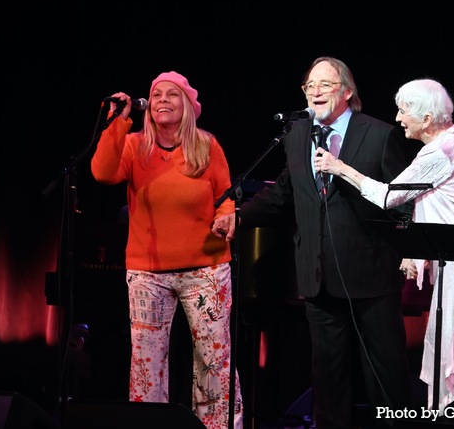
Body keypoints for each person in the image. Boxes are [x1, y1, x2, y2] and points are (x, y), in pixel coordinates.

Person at [230, 57, 413, 428]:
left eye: (325, 85)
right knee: (328, 381)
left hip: (371, 278)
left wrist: (409, 252)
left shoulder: (378, 134)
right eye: (309, 86)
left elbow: (402, 202)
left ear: (347, 91)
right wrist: (238, 217)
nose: (315, 92)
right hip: (317, 276)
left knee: (385, 378)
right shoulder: (297, 134)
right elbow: (286, 191)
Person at [315, 78, 454, 414]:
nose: (398, 118)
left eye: (404, 112)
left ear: (427, 119)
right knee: (453, 342)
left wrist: (339, 167)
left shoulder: (442, 150)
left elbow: (389, 196)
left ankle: (452, 416)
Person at [90, 71, 243, 429]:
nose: (161, 99)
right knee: (147, 363)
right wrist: (117, 122)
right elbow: (102, 172)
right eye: (156, 94)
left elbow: (226, 197)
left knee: (213, 359)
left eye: (172, 94)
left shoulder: (207, 146)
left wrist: (227, 216)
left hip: (206, 269)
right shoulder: (133, 145)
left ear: (188, 105)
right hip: (147, 272)